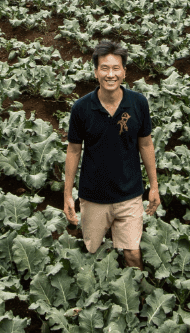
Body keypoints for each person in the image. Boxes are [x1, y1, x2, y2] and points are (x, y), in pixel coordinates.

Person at [63, 40, 159, 269]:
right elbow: (74, 150)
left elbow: (146, 144)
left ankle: (133, 298)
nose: (110, 74)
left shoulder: (138, 103)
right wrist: (68, 194)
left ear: (124, 72)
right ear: (96, 72)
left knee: (133, 255)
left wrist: (154, 185)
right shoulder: (81, 108)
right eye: (104, 68)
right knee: (92, 253)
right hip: (93, 195)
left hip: (130, 194)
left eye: (116, 68)